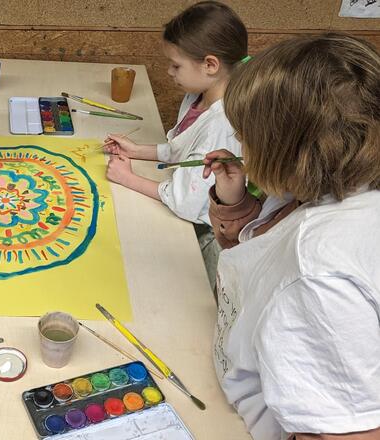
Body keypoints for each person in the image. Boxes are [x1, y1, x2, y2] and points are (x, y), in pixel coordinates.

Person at [204, 34, 380, 440]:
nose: (239, 145)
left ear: (286, 148)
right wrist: (234, 204)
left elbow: (343, 430)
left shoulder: (317, 275)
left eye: (245, 136)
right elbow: (264, 248)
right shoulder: (329, 186)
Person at [104, 1, 246, 287]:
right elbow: (184, 150)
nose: (169, 71)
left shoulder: (222, 125)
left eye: (176, 65)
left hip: (203, 233)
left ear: (210, 65)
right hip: (189, 215)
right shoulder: (200, 95)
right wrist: (139, 151)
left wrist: (128, 178)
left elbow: (184, 202)